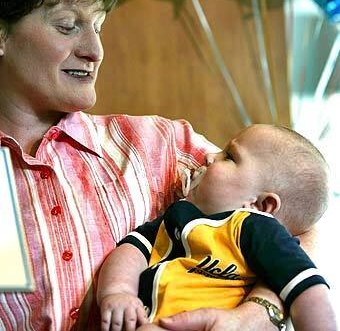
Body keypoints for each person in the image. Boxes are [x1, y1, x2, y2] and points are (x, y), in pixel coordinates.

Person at [0, 0, 320, 331]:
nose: (94, 51)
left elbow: (302, 217)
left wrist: (258, 313)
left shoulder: (160, 147)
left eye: (98, 25)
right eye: (67, 26)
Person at [97, 124, 338, 331]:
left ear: (261, 204)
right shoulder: (180, 216)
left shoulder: (257, 229)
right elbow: (132, 250)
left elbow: (308, 288)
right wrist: (119, 291)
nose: (210, 156)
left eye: (229, 157)